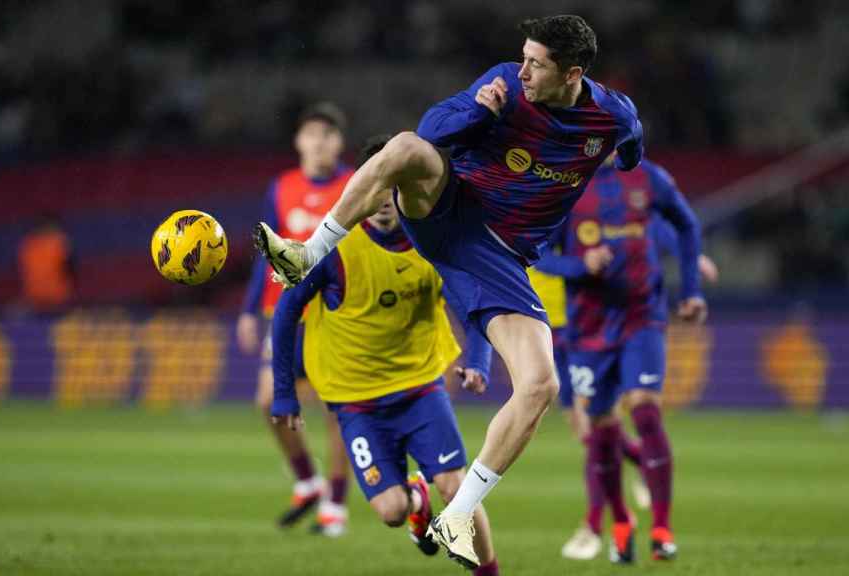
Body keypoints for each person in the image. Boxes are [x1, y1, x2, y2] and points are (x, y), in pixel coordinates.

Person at [256, 16, 700, 568]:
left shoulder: (613, 115)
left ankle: (458, 514)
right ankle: (308, 252)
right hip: (449, 208)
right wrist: (479, 113)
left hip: (499, 259)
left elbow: (632, 150)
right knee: (403, 148)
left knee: (540, 385)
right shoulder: (506, 87)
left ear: (573, 74)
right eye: (524, 57)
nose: (524, 70)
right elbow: (430, 129)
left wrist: (622, 167)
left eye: (537, 63)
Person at [267, 135, 501, 576]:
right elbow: (285, 313)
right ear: (361, 189)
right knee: (391, 510)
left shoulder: (433, 243)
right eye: (373, 185)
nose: (382, 199)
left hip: (420, 390)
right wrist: (284, 394)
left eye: (393, 183)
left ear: (404, 189)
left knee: (459, 487)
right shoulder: (333, 248)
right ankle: (416, 502)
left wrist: (481, 360)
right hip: (358, 405)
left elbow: (475, 303)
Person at [535, 157, 707, 563]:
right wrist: (580, 265)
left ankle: (662, 529)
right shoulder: (565, 183)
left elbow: (683, 225)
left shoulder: (648, 177)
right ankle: (621, 520)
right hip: (587, 326)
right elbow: (537, 252)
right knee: (600, 430)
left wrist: (692, 286)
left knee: (646, 411)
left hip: (641, 317)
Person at [236, 102, 352, 534]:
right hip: (283, 310)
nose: (319, 141)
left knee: (336, 411)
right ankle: (307, 480)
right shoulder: (281, 187)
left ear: (339, 142)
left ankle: (335, 509)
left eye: (328, 134)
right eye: (312, 133)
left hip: (334, 312)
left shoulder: (354, 184)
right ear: (298, 141)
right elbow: (264, 248)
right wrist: (249, 310)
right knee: (268, 402)